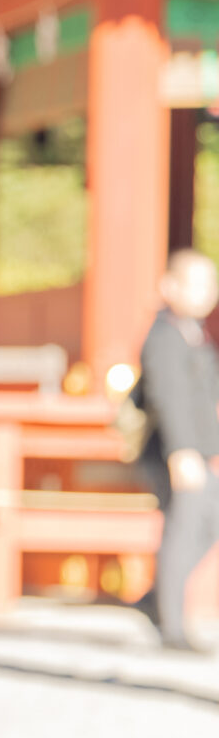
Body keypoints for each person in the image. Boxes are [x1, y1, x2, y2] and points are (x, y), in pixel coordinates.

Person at [136, 249, 219, 653]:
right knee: (182, 532)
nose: (207, 293)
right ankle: (171, 625)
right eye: (197, 283)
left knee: (208, 524)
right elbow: (168, 398)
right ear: (169, 286)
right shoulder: (165, 334)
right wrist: (182, 450)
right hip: (177, 451)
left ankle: (157, 599)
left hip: (197, 452)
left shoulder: (192, 331)